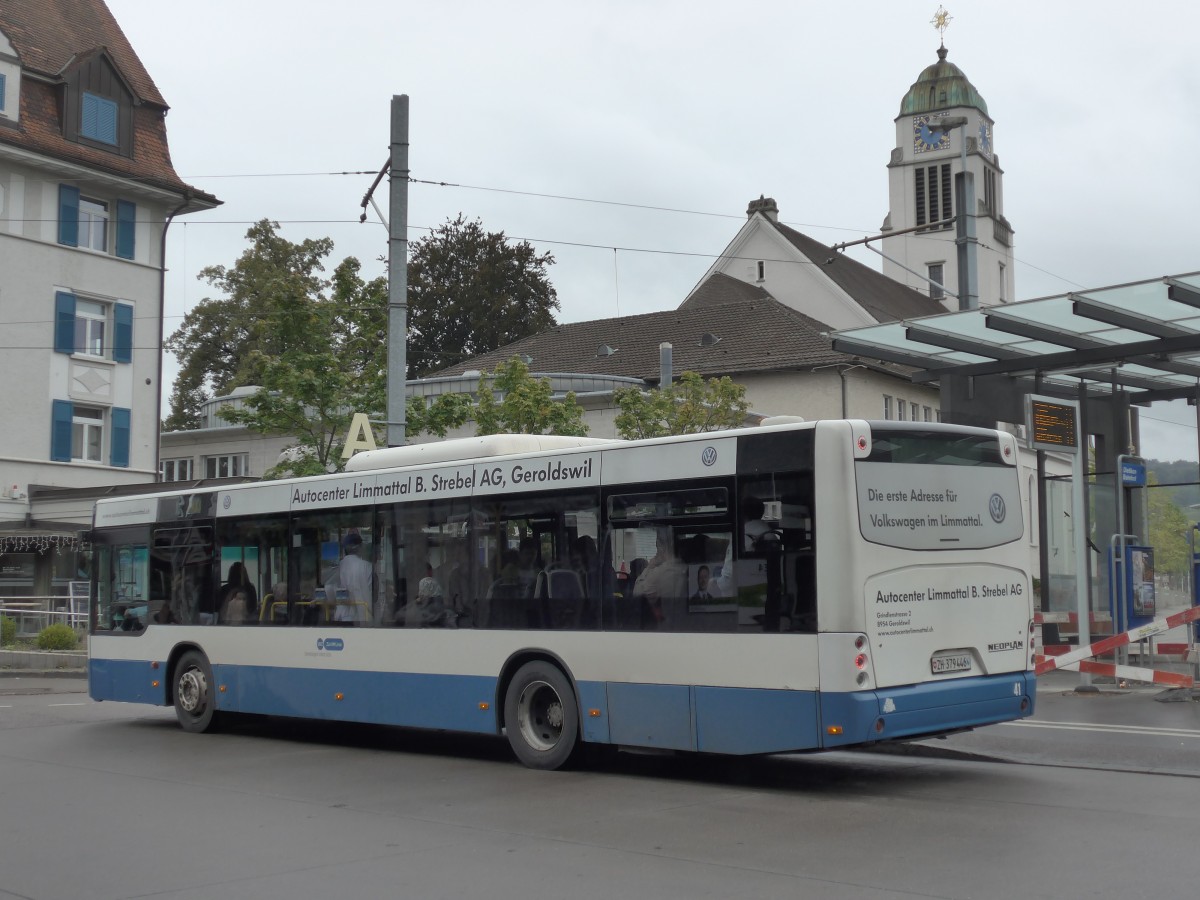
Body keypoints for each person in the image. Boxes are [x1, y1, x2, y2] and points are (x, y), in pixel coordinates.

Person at [632, 528, 686, 627]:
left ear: (661, 546)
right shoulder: (684, 567)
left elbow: (637, 592)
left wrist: (649, 568)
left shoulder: (661, 572)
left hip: (663, 627)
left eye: (657, 545)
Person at [332, 533, 372, 624]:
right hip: (361, 617)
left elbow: (330, 590)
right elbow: (370, 593)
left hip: (341, 615)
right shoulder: (367, 566)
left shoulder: (338, 567)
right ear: (360, 547)